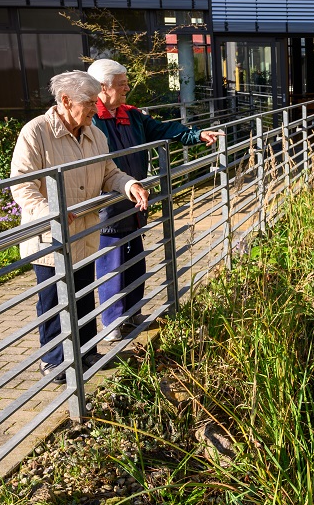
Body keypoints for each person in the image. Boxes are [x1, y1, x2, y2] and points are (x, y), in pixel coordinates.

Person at [10, 70, 150, 383]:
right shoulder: (36, 132)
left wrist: (129, 185)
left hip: (86, 233)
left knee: (84, 294)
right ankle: (55, 362)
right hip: (51, 237)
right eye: (88, 102)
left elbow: (109, 173)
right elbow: (22, 185)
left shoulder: (95, 134)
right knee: (55, 300)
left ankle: (86, 353)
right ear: (64, 101)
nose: (93, 107)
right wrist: (51, 211)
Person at [86, 59, 222, 341]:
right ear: (102, 87)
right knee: (112, 263)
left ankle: (133, 313)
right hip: (107, 205)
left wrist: (196, 135)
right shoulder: (92, 121)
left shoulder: (131, 115)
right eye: (121, 84)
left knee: (135, 259)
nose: (127, 88)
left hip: (136, 201)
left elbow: (163, 130)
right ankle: (113, 323)